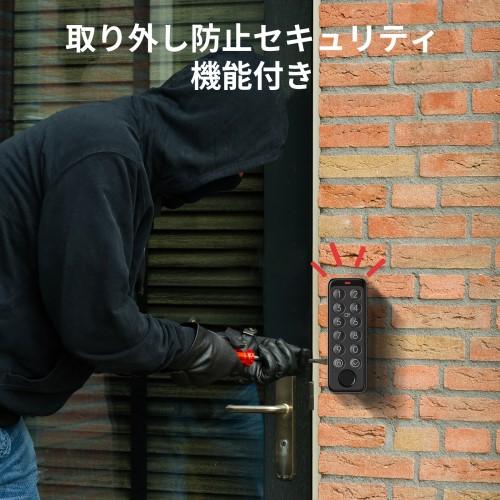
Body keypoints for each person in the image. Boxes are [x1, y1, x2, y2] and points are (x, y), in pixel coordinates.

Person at [0, 49, 309, 496]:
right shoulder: (104, 155)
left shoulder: (114, 149)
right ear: (213, 129)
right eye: (240, 155)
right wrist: (215, 350)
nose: (239, 174)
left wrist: (219, 348)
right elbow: (100, 327)